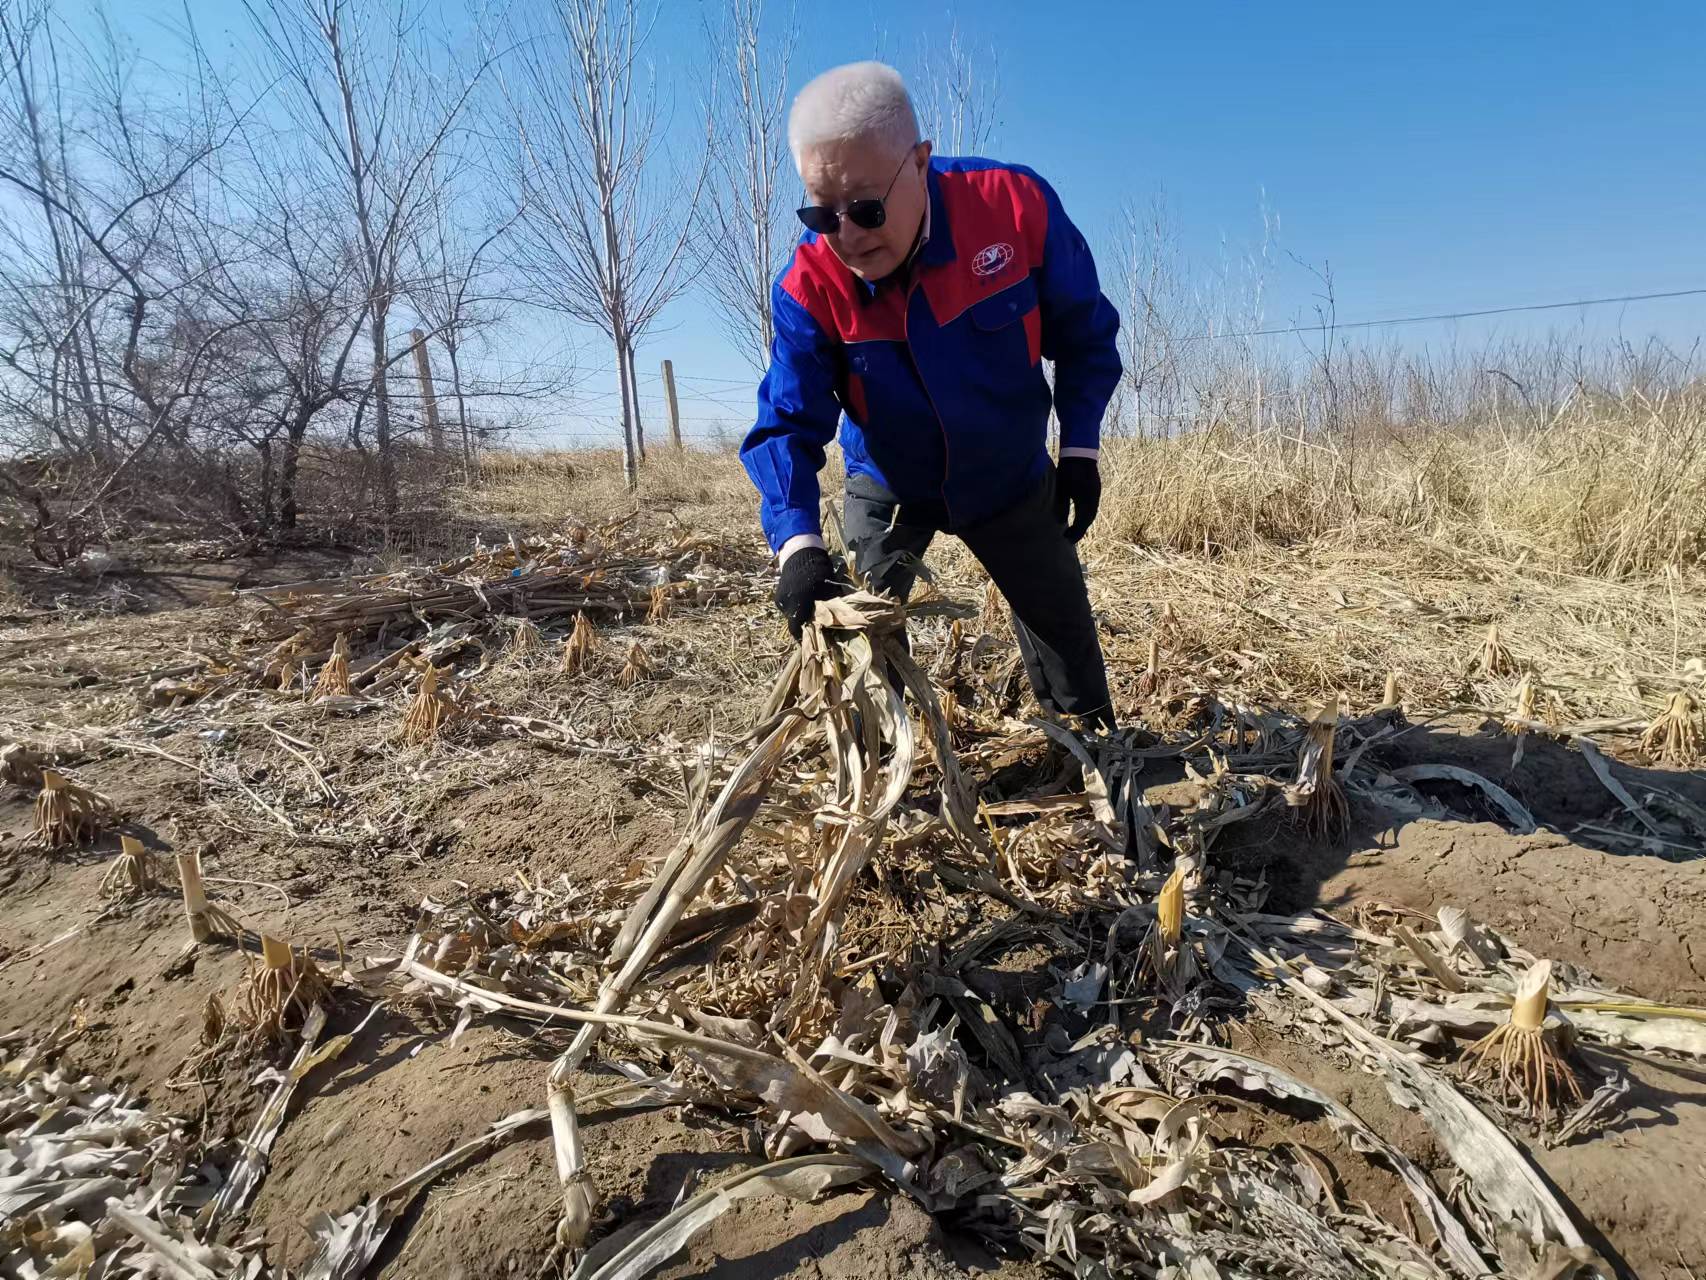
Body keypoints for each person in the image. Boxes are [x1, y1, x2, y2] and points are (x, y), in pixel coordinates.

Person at [740, 61, 1122, 728]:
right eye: (821, 212)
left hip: (1006, 475)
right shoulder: (809, 283)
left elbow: (1086, 337)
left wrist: (1082, 448)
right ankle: (879, 763)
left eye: (864, 207)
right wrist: (797, 547)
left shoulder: (1014, 209)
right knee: (855, 644)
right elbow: (785, 426)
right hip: (889, 479)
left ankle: (1090, 757)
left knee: (1068, 641)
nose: (847, 236)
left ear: (920, 161)